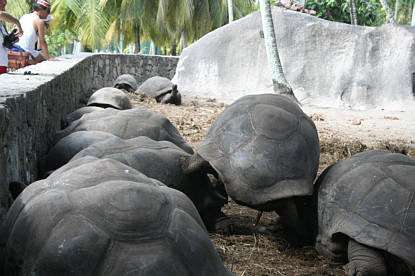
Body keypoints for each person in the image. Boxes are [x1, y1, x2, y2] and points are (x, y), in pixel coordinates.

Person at [0, 0, 23, 75]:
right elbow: (1, 14)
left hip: (2, 62)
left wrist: (10, 41)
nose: (4, 3)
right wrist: (17, 23)